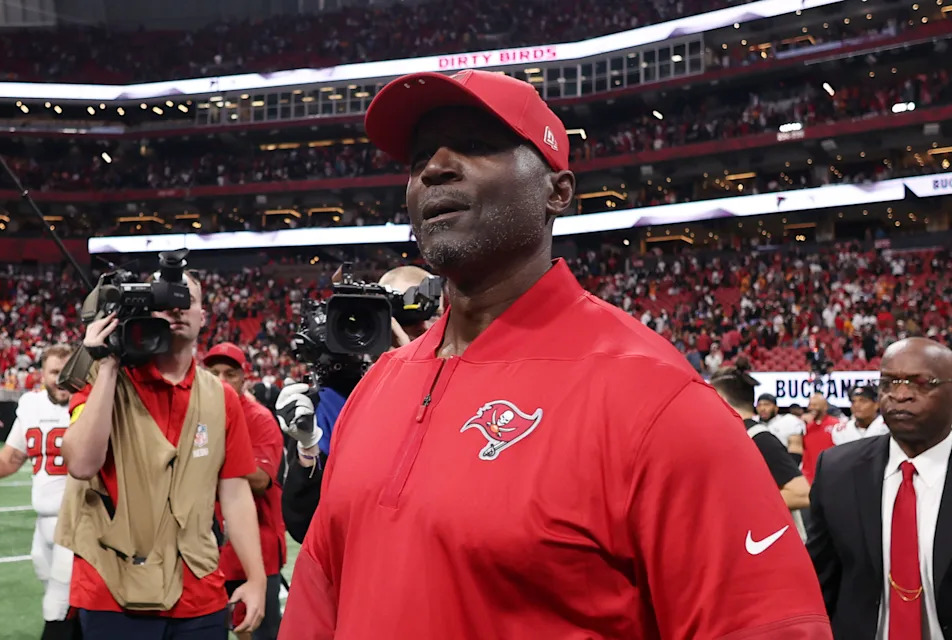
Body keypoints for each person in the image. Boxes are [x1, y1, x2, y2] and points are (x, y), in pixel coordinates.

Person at [279, 69, 831, 639]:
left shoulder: (656, 398)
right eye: (420, 157)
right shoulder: (378, 387)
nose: (435, 169)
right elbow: (319, 599)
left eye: (474, 145)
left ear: (557, 191)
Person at [57, 270, 267, 639]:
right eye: (163, 299)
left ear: (203, 316)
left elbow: (234, 492)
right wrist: (106, 364)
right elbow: (82, 463)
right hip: (113, 590)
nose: (176, 308)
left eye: (187, 300)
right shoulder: (103, 378)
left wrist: (256, 577)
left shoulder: (223, 397)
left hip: (199, 590)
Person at [278, 264, 439, 542]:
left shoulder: (471, 390)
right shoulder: (336, 403)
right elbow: (303, 523)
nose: (419, 326)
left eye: (432, 313)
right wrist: (308, 447)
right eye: (398, 316)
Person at [807, 337, 952, 639]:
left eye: (921, 383)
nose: (900, 395)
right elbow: (821, 582)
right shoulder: (837, 471)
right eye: (888, 383)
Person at [0, 344, 81, 640]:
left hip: (78, 523)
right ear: (42, 375)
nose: (62, 379)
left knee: (57, 606)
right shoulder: (32, 405)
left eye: (68, 372)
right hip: (42, 525)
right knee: (57, 595)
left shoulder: (92, 403)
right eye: (55, 372)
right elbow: (9, 460)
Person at [204, 343, 286, 640]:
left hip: (256, 551)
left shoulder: (260, 419)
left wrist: (208, 460)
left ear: (244, 377)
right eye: (213, 373)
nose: (221, 380)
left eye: (230, 373)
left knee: (260, 633)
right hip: (209, 552)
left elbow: (260, 479)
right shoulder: (198, 413)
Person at [711, 361, 811, 511]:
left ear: (722, 399)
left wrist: (736, 505)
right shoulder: (738, 434)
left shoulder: (759, 438)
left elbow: (801, 494)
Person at [801, 393, 840, 484]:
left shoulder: (836, 425)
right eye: (810, 405)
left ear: (825, 407)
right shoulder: (805, 426)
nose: (811, 408)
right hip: (809, 477)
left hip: (831, 475)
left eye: (815, 405)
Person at [757, 392, 806, 462]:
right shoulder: (753, 422)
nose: (762, 408)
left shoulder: (789, 421)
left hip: (784, 466)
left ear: (776, 408)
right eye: (759, 405)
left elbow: (796, 453)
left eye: (767, 404)